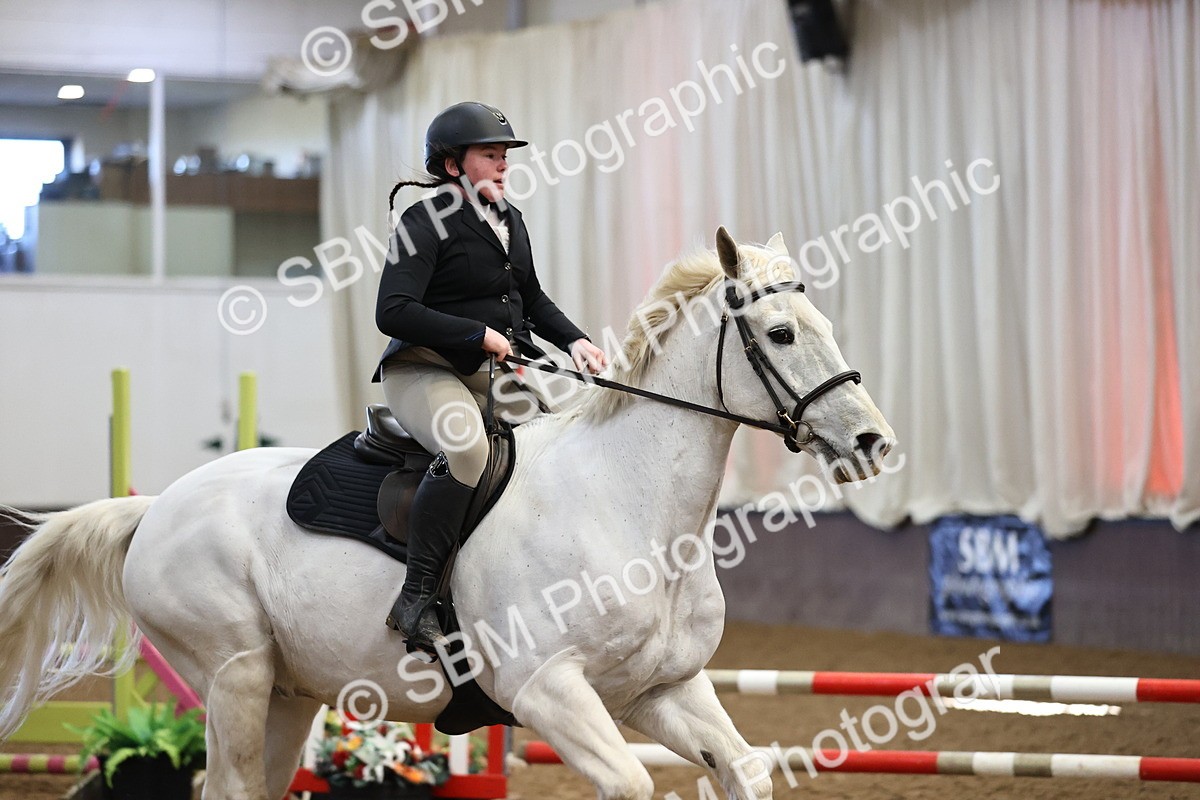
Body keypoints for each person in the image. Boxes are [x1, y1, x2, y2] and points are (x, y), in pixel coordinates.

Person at [374, 101, 608, 654]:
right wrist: (475, 334)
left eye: (505, 156)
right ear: (453, 165)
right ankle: (417, 598)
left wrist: (575, 340)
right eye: (490, 155)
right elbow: (393, 309)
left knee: (561, 454)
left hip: (492, 375)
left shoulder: (509, 220)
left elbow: (531, 298)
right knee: (468, 450)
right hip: (423, 370)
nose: (503, 165)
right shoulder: (422, 221)